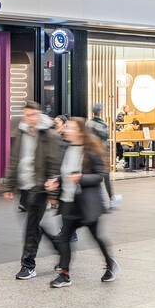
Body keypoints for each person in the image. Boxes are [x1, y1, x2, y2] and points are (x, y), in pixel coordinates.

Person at [50, 116, 116, 286]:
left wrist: (81, 178)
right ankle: (64, 274)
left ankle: (110, 264)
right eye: (66, 128)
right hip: (68, 202)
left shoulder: (91, 152)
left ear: (79, 132)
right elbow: (65, 173)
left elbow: (99, 176)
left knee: (95, 237)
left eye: (70, 128)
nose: (66, 130)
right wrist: (56, 179)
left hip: (86, 204)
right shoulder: (67, 149)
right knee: (64, 236)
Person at [4, 102, 63, 278]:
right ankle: (61, 250)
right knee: (34, 225)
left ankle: (28, 265)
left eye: (33, 114)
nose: (31, 118)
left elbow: (53, 164)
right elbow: (15, 160)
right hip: (24, 186)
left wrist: (53, 194)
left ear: (39, 114)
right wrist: (9, 186)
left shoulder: (49, 135)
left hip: (40, 187)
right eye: (27, 114)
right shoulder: (20, 133)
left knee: (31, 226)